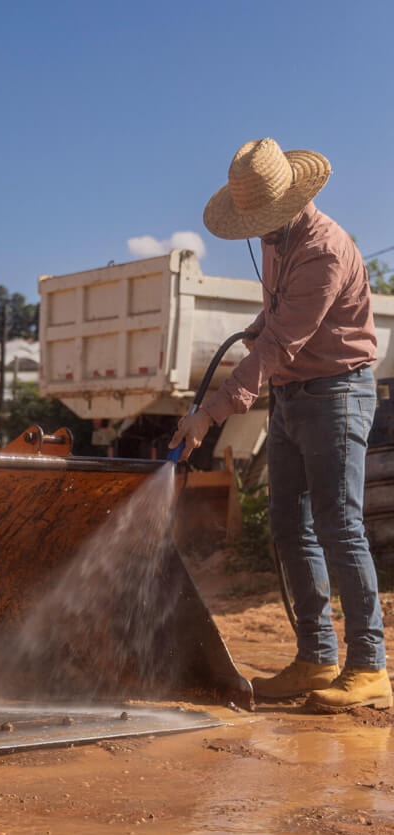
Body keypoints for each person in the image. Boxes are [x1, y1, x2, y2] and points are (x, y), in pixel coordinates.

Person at [169, 137, 392, 712]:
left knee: (339, 526)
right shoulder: (278, 239)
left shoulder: (324, 250)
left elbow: (277, 346)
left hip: (336, 395)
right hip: (294, 397)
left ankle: (370, 666)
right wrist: (257, 322)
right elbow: (279, 314)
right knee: (290, 528)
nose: (258, 232)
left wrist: (209, 413)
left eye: (262, 219)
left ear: (290, 201)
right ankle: (316, 659)